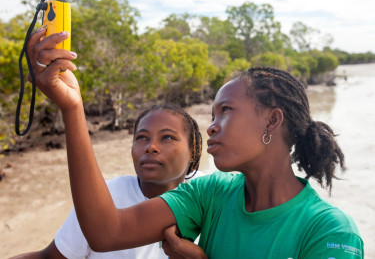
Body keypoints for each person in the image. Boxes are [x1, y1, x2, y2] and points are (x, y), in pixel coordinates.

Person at [26, 28, 364, 258]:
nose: (212, 128)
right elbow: (105, 232)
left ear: (271, 121)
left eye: (226, 112)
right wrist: (72, 108)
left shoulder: (329, 230)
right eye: (212, 116)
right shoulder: (212, 194)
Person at [11, 104, 203, 259]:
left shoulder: (212, 196)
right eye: (141, 138)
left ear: (193, 149)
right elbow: (51, 257)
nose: (150, 147)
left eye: (167, 137)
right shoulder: (106, 196)